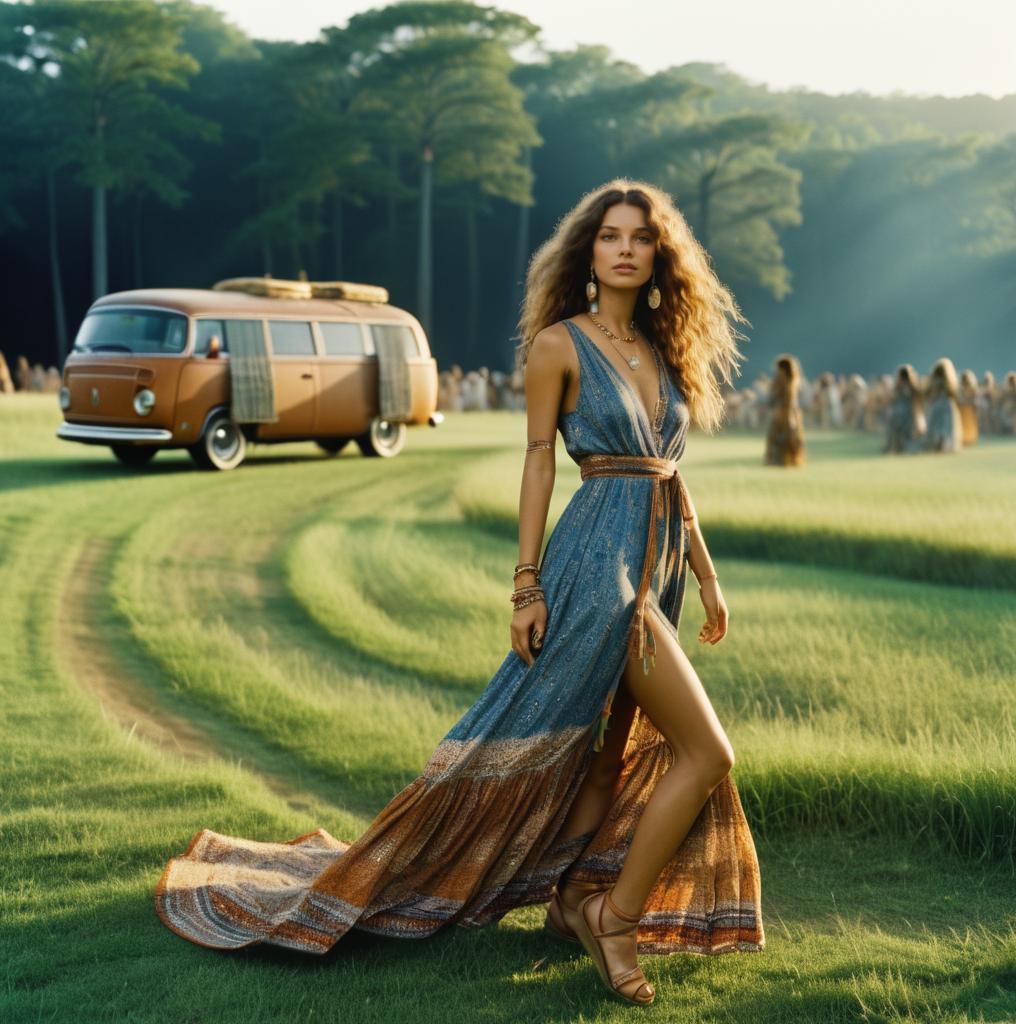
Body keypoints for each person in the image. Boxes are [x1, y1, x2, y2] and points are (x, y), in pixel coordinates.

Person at [154, 178, 765, 1007]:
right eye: (610, 236)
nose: (625, 248)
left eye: (641, 238)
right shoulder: (559, 345)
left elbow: (669, 472)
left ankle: (568, 901)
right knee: (706, 753)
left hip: (656, 561)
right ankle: (612, 917)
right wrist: (525, 587)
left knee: (606, 756)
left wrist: (705, 573)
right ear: (588, 252)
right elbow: (541, 461)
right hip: (595, 567)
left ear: (660, 257)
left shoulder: (661, 352)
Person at [763, 354, 807, 466]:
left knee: (784, 436)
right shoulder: (790, 381)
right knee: (785, 436)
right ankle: (784, 460)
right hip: (786, 412)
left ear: (783, 369)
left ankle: (781, 460)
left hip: (785, 412)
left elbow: (788, 400)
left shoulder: (788, 382)